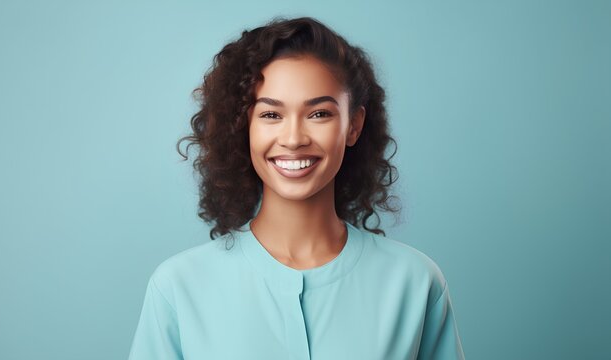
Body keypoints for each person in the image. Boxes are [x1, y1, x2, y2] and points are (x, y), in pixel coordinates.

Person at [128, 16, 465, 360]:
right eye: (271, 115)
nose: (293, 139)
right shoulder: (178, 288)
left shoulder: (415, 283)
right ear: (242, 127)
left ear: (354, 125)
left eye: (319, 114)